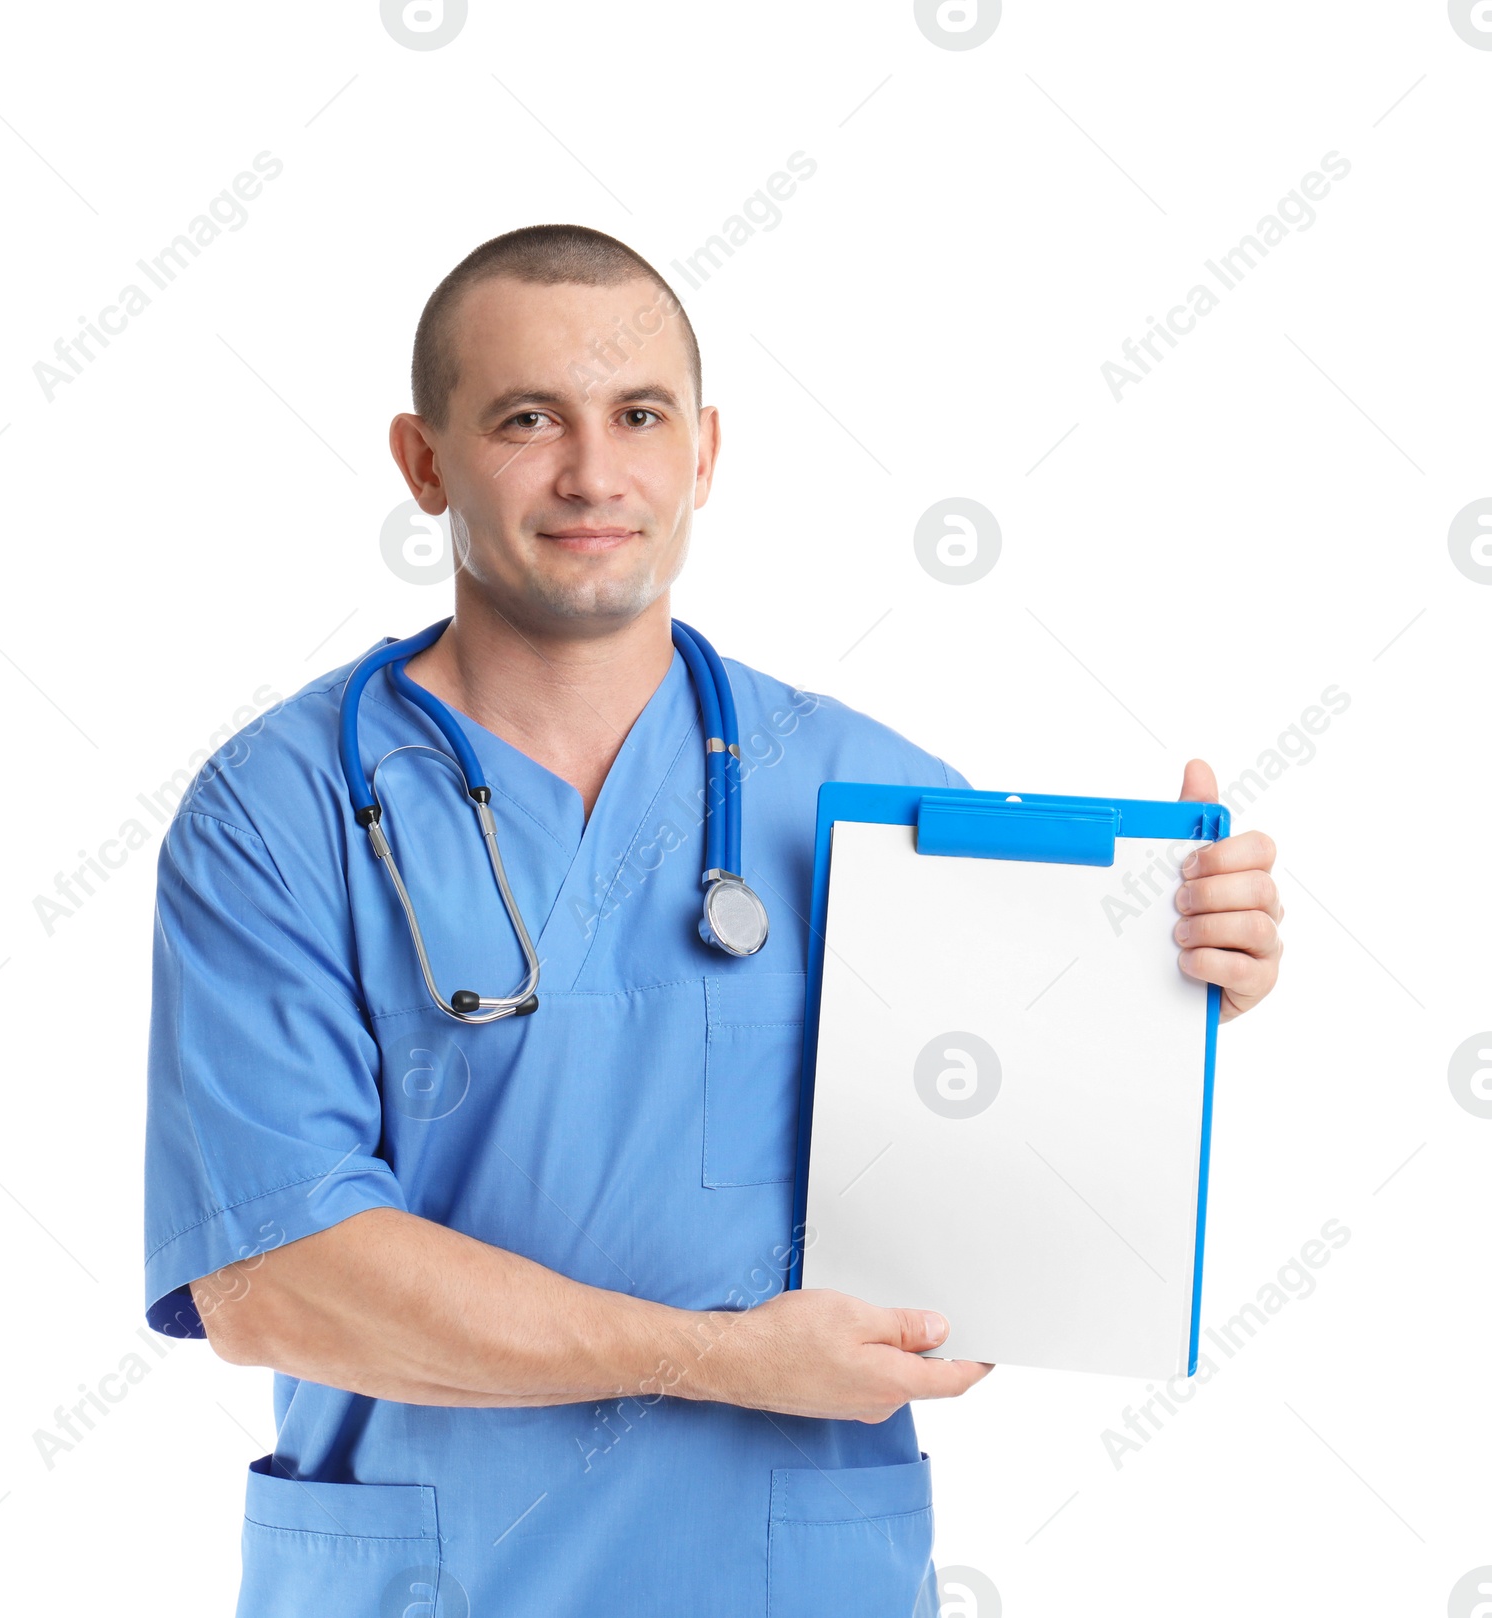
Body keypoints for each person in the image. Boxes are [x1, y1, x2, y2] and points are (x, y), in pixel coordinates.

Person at [142, 224, 1283, 1617]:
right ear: (424, 460)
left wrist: (1168, 993)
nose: (593, 472)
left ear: (706, 452)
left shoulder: (874, 795)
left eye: (639, 416)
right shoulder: (280, 810)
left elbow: (1016, 1236)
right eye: (526, 419)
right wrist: (721, 1357)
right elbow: (275, 1283)